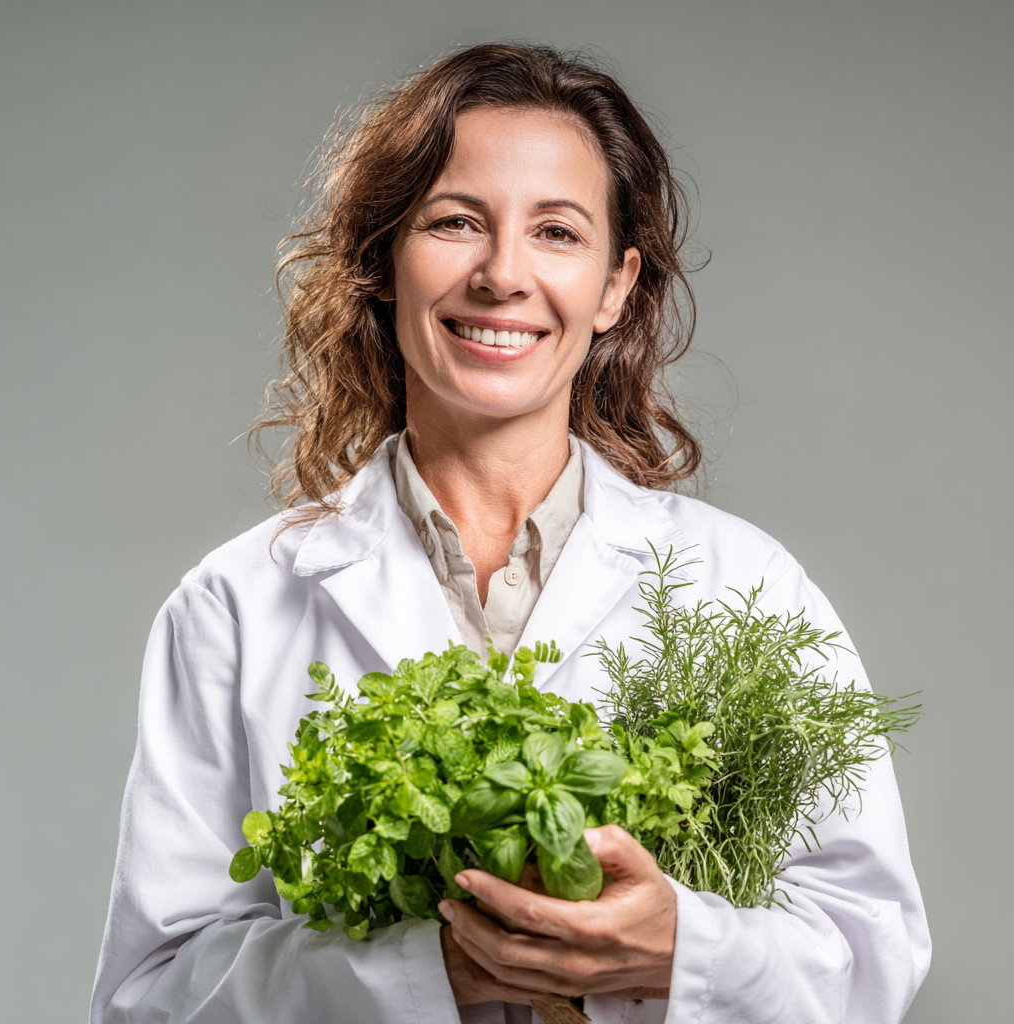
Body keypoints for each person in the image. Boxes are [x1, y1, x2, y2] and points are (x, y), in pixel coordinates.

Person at [91, 43, 929, 1024]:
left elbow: (868, 955)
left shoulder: (746, 585)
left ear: (615, 286)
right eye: (454, 223)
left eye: (556, 233)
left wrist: (682, 950)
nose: (501, 275)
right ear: (383, 261)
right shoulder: (234, 607)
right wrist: (423, 972)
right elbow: (146, 1002)